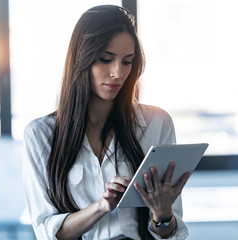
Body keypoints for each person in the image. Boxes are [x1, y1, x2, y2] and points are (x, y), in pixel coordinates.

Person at [23, 5, 190, 240]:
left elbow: (172, 235)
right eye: (106, 59)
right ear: (82, 58)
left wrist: (161, 215)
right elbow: (48, 232)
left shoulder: (156, 123)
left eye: (127, 61)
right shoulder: (41, 134)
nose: (117, 73)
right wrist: (101, 206)